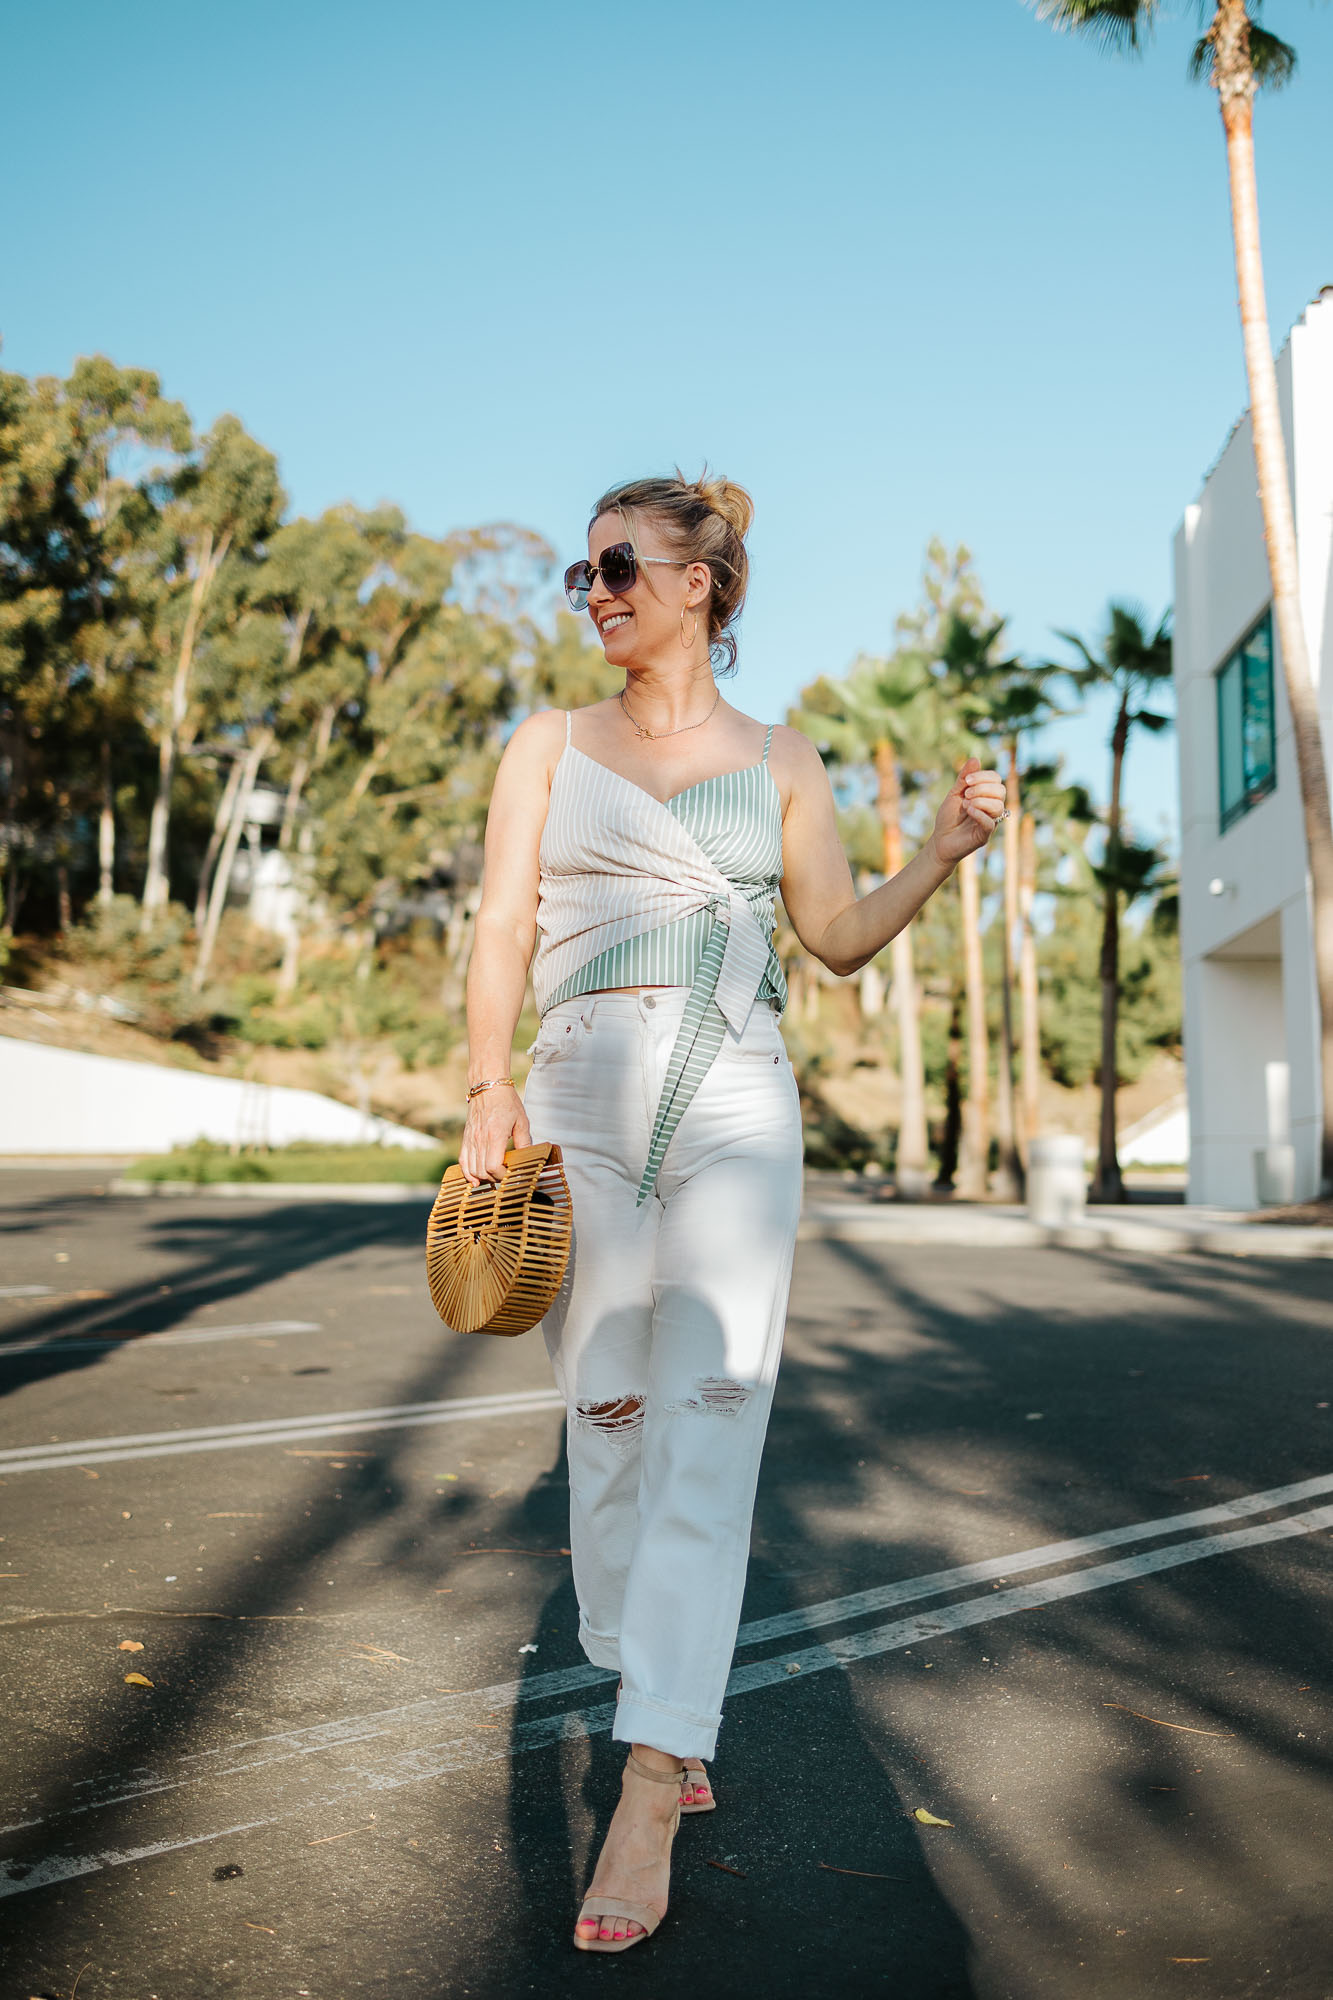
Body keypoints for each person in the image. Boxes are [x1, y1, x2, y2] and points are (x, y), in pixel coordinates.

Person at [459, 472, 1006, 1955]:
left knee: (710, 1403)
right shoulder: (544, 746)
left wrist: (939, 857)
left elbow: (827, 939)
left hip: (736, 1100)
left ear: (704, 581)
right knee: (610, 1417)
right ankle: (655, 1674)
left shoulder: (780, 755)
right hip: (575, 1092)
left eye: (621, 566)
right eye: (583, 575)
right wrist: (484, 1084)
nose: (597, 594)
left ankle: (651, 1767)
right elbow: (503, 920)